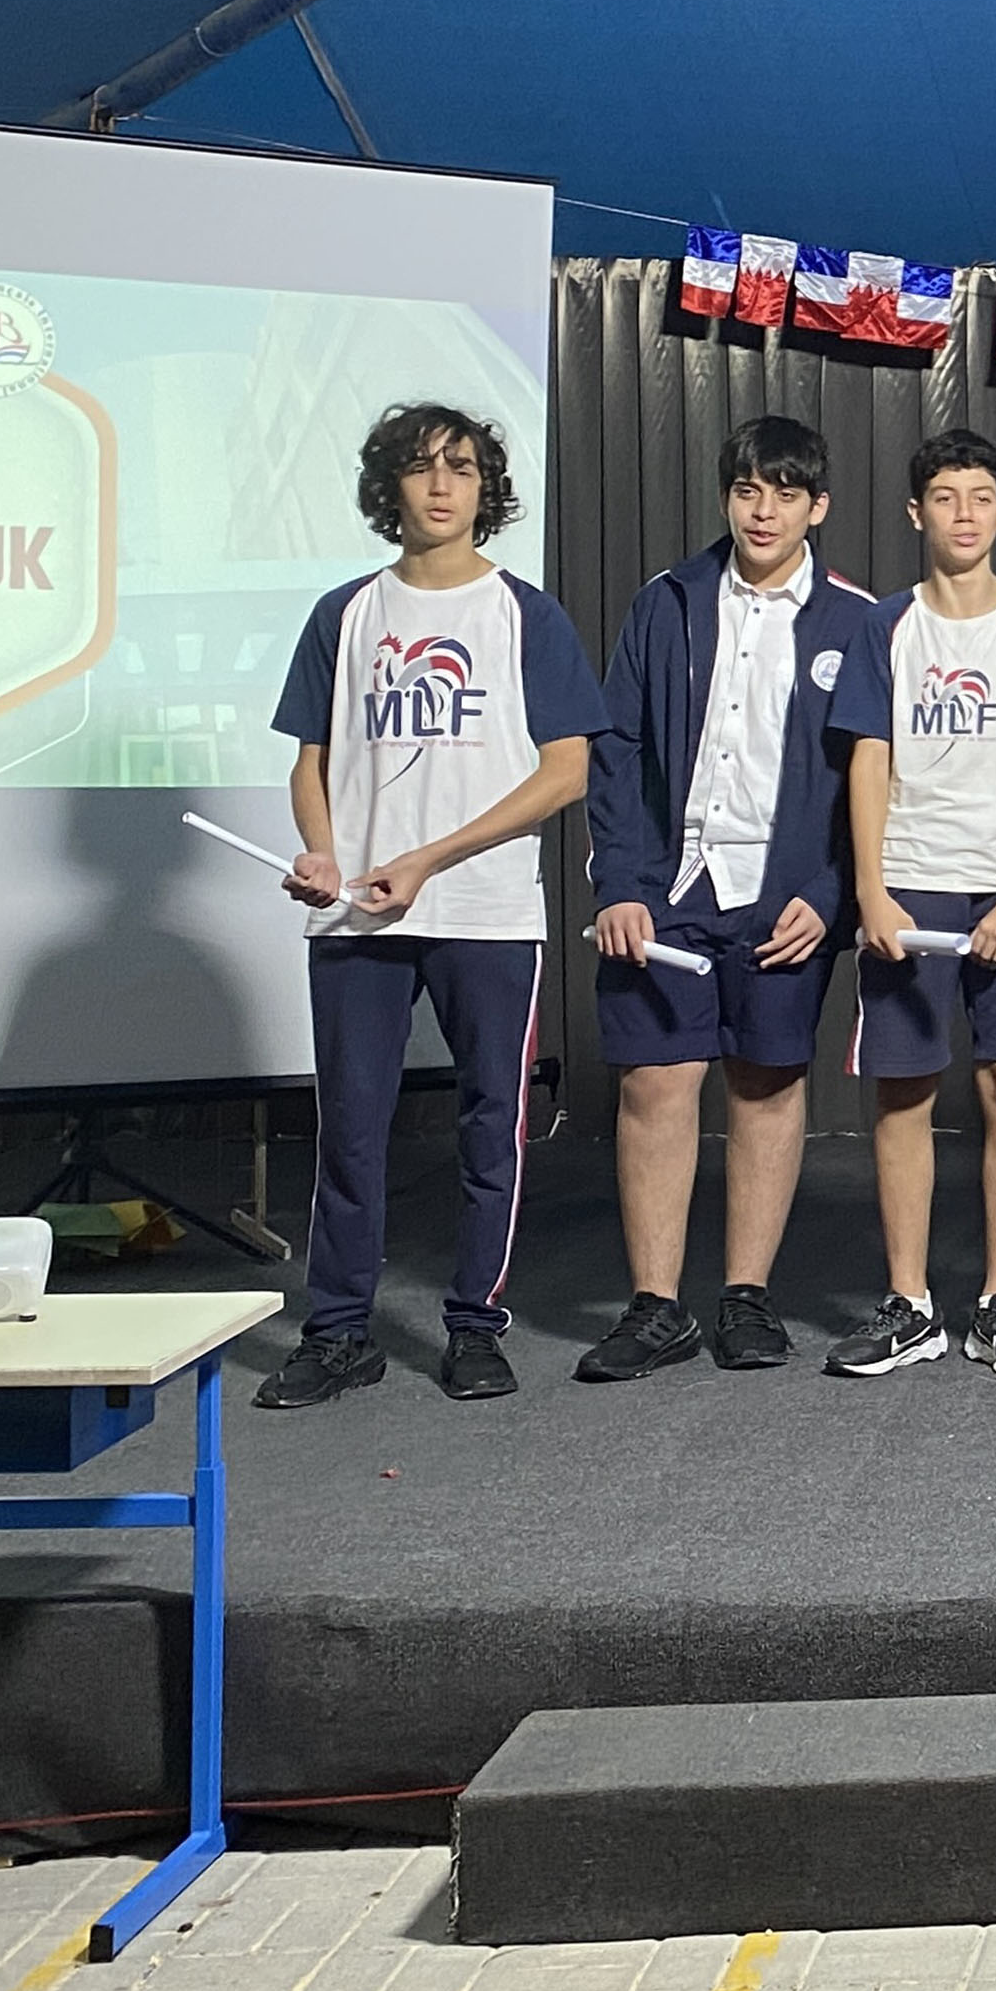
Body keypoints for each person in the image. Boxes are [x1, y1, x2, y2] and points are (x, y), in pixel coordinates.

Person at [258, 402, 603, 1409]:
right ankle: (338, 1332)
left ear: (486, 489)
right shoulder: (344, 614)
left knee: (491, 1124)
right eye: (421, 467)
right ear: (390, 488)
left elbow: (568, 770)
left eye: (462, 467)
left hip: (486, 911)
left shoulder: (524, 615)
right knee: (351, 1129)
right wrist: (324, 853)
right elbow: (312, 762)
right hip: (358, 914)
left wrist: (433, 857)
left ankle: (474, 1325)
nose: (442, 484)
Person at [576, 416, 876, 1383]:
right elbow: (616, 750)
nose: (764, 511)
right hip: (669, 891)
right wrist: (622, 884)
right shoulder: (666, 601)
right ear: (726, 497)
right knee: (655, 1086)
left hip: (786, 900)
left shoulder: (857, 620)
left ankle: (746, 1295)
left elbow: (876, 779)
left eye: (785, 494)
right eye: (748, 490)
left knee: (767, 1083)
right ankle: (654, 1306)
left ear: (817, 507)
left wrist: (831, 895)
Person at [827, 427, 996, 1380]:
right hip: (911, 879)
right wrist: (871, 889)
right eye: (946, 498)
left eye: (981, 497)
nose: (964, 514)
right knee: (903, 1090)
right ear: (917, 513)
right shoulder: (886, 626)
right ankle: (909, 1303)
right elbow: (868, 759)